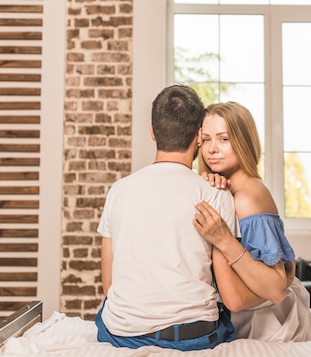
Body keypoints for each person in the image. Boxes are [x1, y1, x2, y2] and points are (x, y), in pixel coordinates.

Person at [95, 85, 237, 351]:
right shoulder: (216, 194)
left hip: (124, 334)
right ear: (198, 136)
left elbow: (109, 285)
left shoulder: (118, 191)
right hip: (192, 336)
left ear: (152, 131)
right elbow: (228, 290)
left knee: (106, 311)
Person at [193, 102, 311, 342]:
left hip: (271, 322)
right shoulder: (220, 189)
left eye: (223, 139)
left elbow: (276, 287)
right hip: (239, 318)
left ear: (243, 141)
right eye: (206, 139)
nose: (212, 149)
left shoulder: (248, 197)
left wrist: (224, 240)